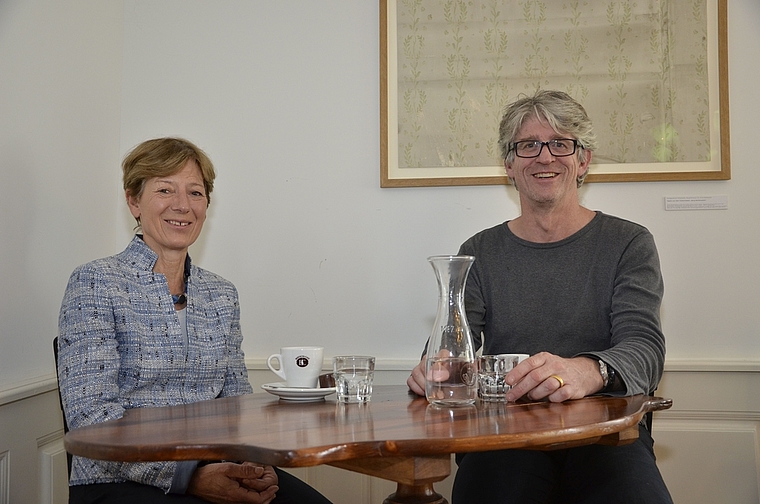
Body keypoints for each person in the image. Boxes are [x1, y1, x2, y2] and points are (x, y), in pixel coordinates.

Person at [406, 90, 673, 503]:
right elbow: (454, 342)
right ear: (509, 165)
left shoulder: (628, 243)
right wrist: (434, 369)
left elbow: (645, 349)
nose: (544, 157)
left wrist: (589, 371)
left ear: (582, 160)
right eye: (528, 145)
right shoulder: (480, 251)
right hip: (502, 439)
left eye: (560, 144)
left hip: (605, 439)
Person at [57, 137, 332, 504]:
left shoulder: (222, 293)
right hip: (117, 481)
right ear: (134, 201)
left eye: (196, 193)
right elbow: (93, 419)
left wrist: (254, 461)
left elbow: (235, 400)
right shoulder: (96, 282)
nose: (182, 206)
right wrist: (188, 477)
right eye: (165, 189)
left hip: (218, 465)